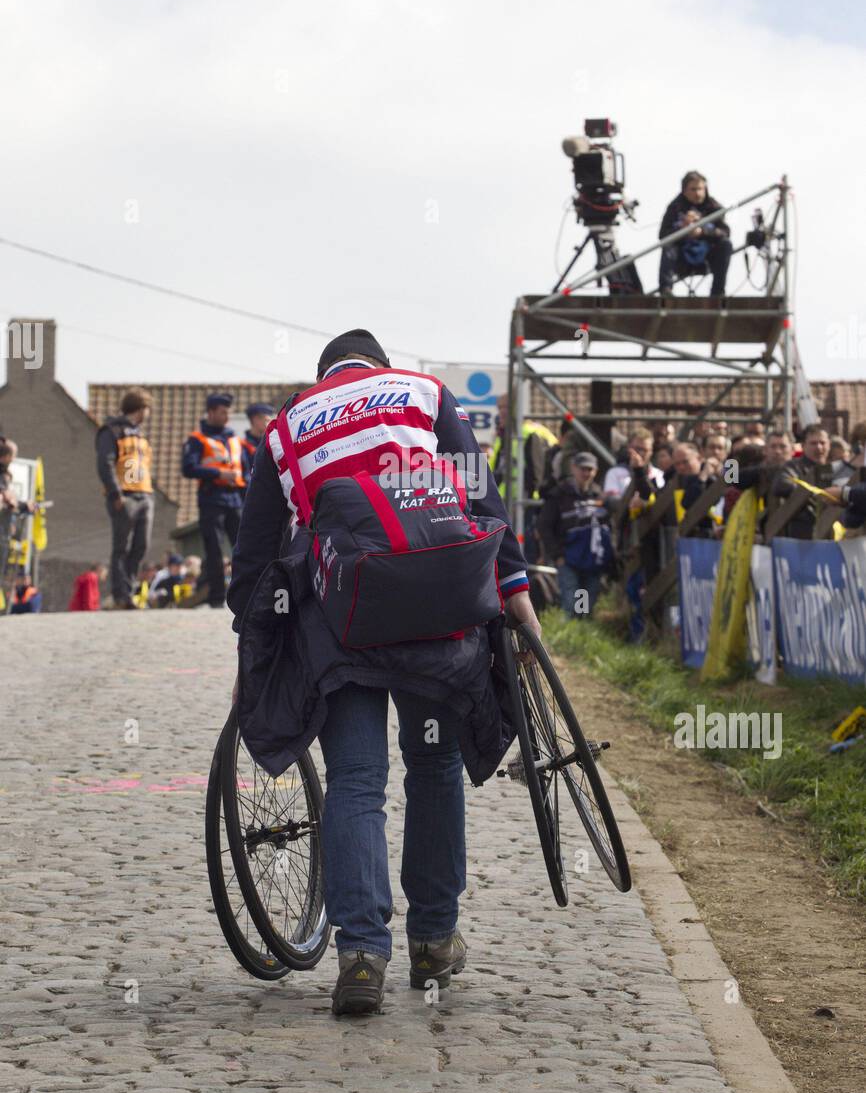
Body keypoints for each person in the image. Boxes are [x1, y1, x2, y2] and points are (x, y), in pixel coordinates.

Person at [227, 328, 538, 1017]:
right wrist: (515, 590)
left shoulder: (285, 429)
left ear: (322, 377)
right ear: (380, 368)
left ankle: (361, 955)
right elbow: (481, 499)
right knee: (433, 768)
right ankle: (432, 938)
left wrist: (251, 651)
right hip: (439, 615)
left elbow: (253, 558)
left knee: (357, 783)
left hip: (344, 624)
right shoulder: (424, 394)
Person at [182, 392, 248, 609]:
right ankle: (217, 598)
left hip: (236, 500)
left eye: (228, 412)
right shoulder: (197, 439)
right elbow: (188, 468)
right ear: (210, 413)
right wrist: (217, 474)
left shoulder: (234, 439)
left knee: (243, 547)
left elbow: (246, 470)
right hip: (212, 499)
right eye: (222, 412)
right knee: (215, 550)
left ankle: (245, 593)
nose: (226, 416)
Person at [95, 389, 154, 610]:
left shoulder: (139, 435)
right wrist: (114, 493)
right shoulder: (112, 430)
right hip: (124, 495)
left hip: (144, 494)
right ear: (141, 408)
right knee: (121, 546)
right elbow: (105, 463)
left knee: (141, 545)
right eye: (147, 408)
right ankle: (120, 594)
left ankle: (128, 588)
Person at [537, 452, 612, 617]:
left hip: (591, 562)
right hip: (568, 559)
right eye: (582, 469)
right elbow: (544, 526)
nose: (586, 473)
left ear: (596, 471)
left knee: (585, 606)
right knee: (571, 604)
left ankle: (581, 633)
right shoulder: (559, 495)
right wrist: (557, 554)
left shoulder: (599, 496)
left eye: (590, 469)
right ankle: (571, 634)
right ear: (573, 468)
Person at [658, 171, 733, 298]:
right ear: (685, 190)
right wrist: (683, 229)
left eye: (700, 189)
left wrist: (703, 232)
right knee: (668, 246)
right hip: (681, 257)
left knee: (726, 245)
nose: (697, 193)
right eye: (693, 189)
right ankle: (666, 290)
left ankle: (718, 293)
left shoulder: (714, 207)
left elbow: (725, 232)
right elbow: (663, 235)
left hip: (707, 256)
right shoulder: (675, 207)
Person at [772, 424, 833, 539]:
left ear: (829, 445)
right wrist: (814, 494)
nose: (819, 447)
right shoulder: (793, 466)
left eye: (822, 443)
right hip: (801, 533)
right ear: (803, 446)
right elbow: (781, 484)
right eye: (813, 443)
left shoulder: (837, 467)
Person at [240, 402, 275, 471]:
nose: (268, 424)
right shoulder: (242, 445)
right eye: (266, 420)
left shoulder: (272, 443)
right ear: (255, 420)